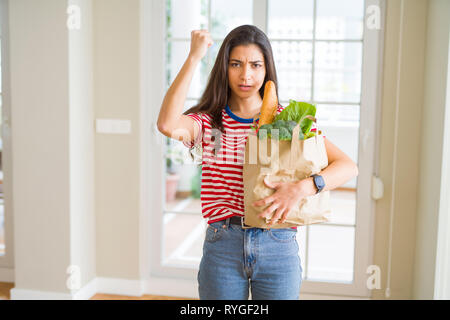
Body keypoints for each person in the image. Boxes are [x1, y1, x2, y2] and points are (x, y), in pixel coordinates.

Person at [157, 25, 359, 300]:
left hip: (278, 243)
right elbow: (167, 124)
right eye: (236, 64)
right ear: (223, 69)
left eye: (255, 65)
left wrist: (302, 188)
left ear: (267, 70)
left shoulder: (285, 121)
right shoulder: (210, 124)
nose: (246, 75)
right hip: (222, 244)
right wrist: (194, 57)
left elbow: (347, 165)